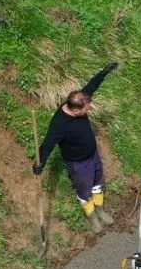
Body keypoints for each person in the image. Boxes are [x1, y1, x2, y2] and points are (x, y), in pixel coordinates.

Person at [33, 62, 119, 233]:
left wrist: (105, 71)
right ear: (76, 111)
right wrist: (40, 162)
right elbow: (48, 144)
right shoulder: (59, 125)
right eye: (87, 110)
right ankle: (92, 217)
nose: (89, 110)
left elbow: (92, 85)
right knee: (84, 191)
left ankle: (100, 211)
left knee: (98, 184)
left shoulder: (79, 99)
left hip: (93, 155)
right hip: (78, 164)